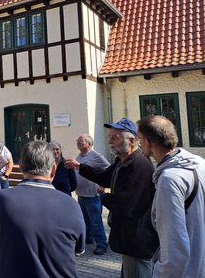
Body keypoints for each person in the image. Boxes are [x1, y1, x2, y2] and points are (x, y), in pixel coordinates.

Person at [65, 118, 155, 278]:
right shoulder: (122, 161)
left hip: (136, 241)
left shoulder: (138, 166)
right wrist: (80, 167)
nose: (109, 141)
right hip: (128, 239)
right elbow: (105, 177)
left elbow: (123, 205)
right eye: (109, 136)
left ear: (132, 140)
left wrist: (103, 197)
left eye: (115, 137)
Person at [0, 141, 85, 278]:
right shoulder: (72, 205)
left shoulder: (0, 200)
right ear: (53, 170)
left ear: (20, 167)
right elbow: (77, 250)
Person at [137, 115, 205, 277]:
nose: (139, 144)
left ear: (148, 142)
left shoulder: (169, 179)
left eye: (139, 139)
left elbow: (174, 245)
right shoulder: (199, 163)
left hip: (188, 271)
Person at [69, 134, 109, 255]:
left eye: (81, 141)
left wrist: (103, 184)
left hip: (92, 195)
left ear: (89, 144)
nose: (79, 143)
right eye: (78, 141)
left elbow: (109, 169)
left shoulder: (96, 156)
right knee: (85, 219)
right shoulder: (80, 156)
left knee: (96, 221)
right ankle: (89, 238)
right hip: (81, 194)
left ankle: (102, 243)